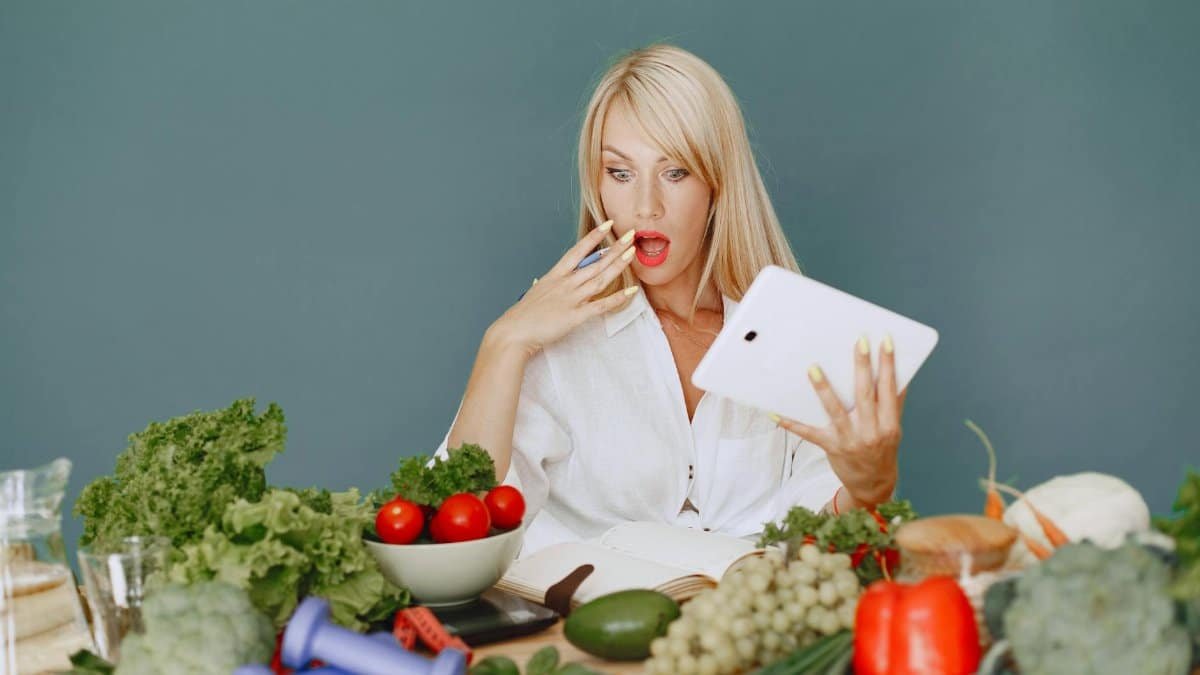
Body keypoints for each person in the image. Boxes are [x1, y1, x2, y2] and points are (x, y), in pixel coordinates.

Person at [432, 44, 906, 557]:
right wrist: (503, 342)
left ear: (716, 184)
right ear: (597, 184)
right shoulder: (549, 341)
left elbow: (828, 533)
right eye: (620, 173)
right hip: (583, 628)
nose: (645, 206)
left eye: (675, 172)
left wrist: (868, 488)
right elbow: (455, 526)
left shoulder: (789, 333)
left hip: (752, 625)